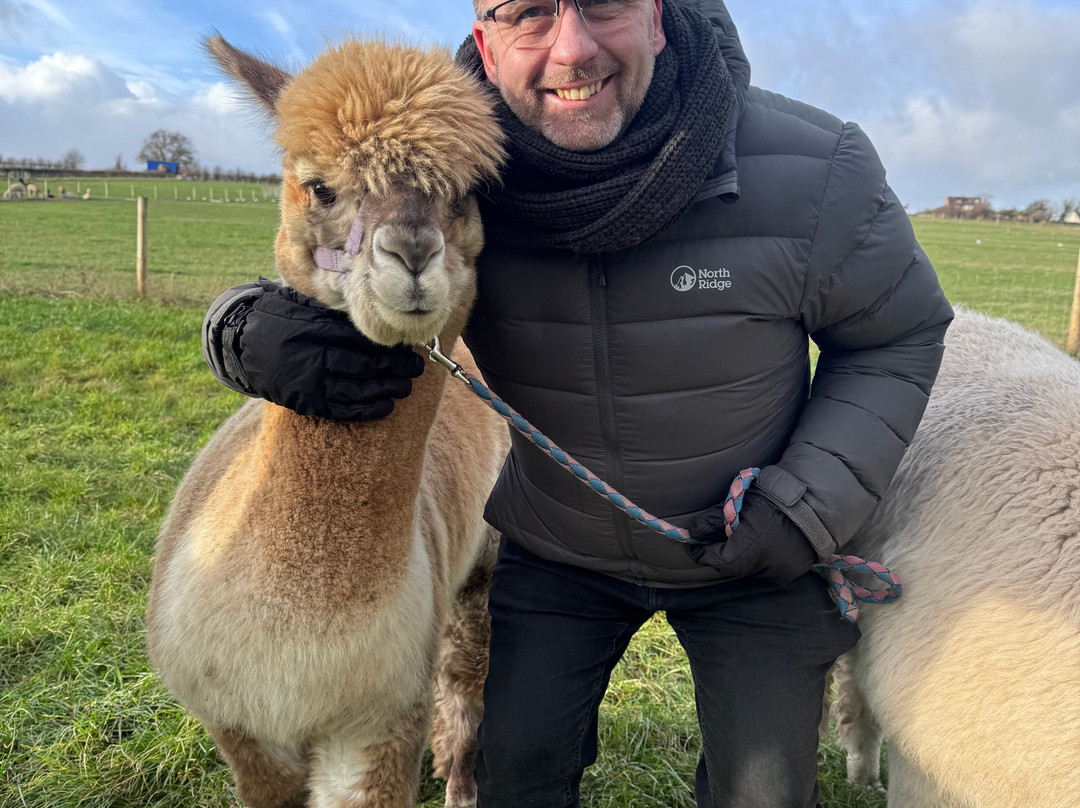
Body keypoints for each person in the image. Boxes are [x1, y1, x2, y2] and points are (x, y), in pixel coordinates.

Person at [202, 0, 953, 805]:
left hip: (753, 546)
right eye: (528, 13)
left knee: (763, 792)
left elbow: (895, 334)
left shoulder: (814, 168)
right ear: (485, 43)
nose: (571, 48)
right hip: (561, 545)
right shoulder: (457, 163)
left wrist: (807, 503)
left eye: (603, 5)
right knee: (511, 774)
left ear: (659, 16)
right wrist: (242, 327)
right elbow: (344, 225)